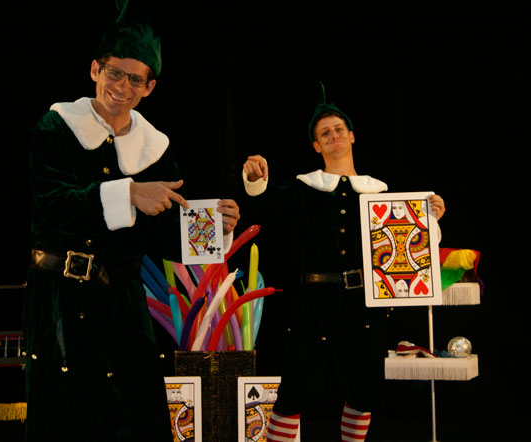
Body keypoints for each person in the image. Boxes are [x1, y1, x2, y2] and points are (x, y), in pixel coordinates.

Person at [23, 3, 240, 441]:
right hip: (60, 299)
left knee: (138, 421)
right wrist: (129, 193)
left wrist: (218, 227)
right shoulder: (55, 127)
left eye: (135, 79)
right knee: (67, 422)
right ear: (95, 70)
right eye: (114, 73)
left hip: (123, 305)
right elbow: (50, 204)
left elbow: (166, 237)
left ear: (150, 87)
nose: (122, 87)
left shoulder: (155, 149)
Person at [242, 95, 445, 441]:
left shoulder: (380, 193)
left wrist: (431, 218)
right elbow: (263, 207)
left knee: (362, 394)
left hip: (364, 306)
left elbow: (409, 248)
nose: (333, 135)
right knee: (293, 394)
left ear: (351, 136)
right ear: (316, 145)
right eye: (325, 133)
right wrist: (255, 178)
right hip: (312, 305)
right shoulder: (301, 189)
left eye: (339, 130)